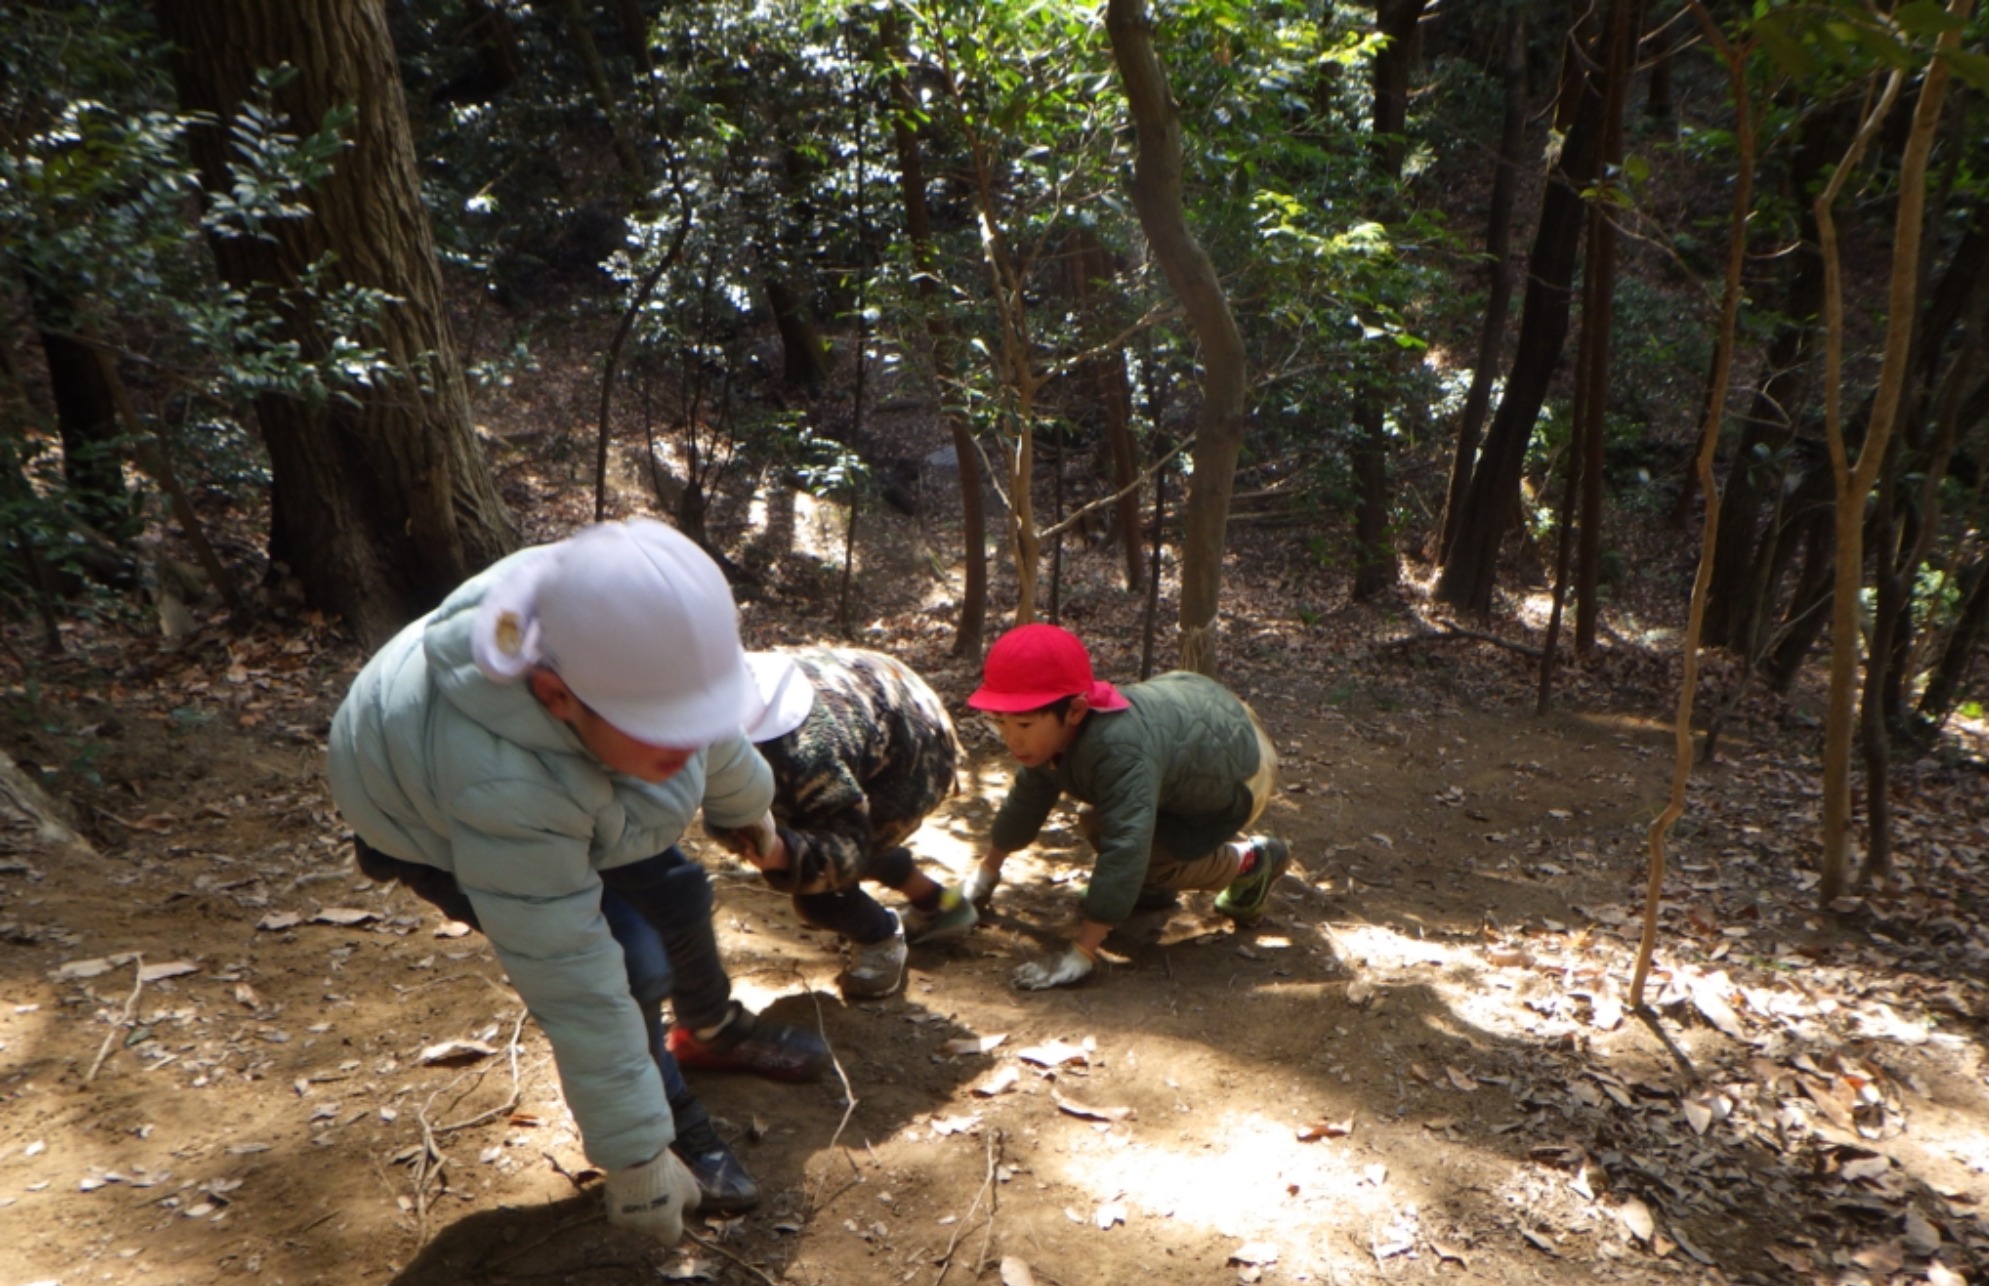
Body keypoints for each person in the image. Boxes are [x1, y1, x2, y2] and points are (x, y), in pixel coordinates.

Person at [327, 518, 831, 1243]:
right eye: (667, 726)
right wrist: (634, 1154)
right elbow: (573, 974)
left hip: (581, 773)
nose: (689, 741)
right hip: (423, 817)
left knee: (681, 894)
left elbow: (712, 734)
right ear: (558, 696)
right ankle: (675, 1125)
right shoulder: (498, 780)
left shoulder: (638, 640)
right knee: (628, 962)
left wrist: (750, 813)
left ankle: (712, 1029)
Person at [956, 623, 1288, 990]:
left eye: (1023, 723)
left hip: (1241, 765)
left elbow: (1127, 844)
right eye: (999, 721)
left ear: (1076, 711)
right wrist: (984, 876)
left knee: (1133, 847)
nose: (1010, 738)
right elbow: (1026, 800)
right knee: (1099, 821)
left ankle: (1253, 861)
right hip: (1199, 720)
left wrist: (1083, 951)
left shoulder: (1117, 750)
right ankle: (1147, 889)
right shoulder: (1054, 737)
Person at [709, 647, 971, 998]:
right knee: (827, 832)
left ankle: (881, 938)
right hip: (885, 708)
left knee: (819, 888)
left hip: (913, 755)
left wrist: (784, 854)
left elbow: (846, 843)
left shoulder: (801, 752)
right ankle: (940, 903)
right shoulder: (726, 702)